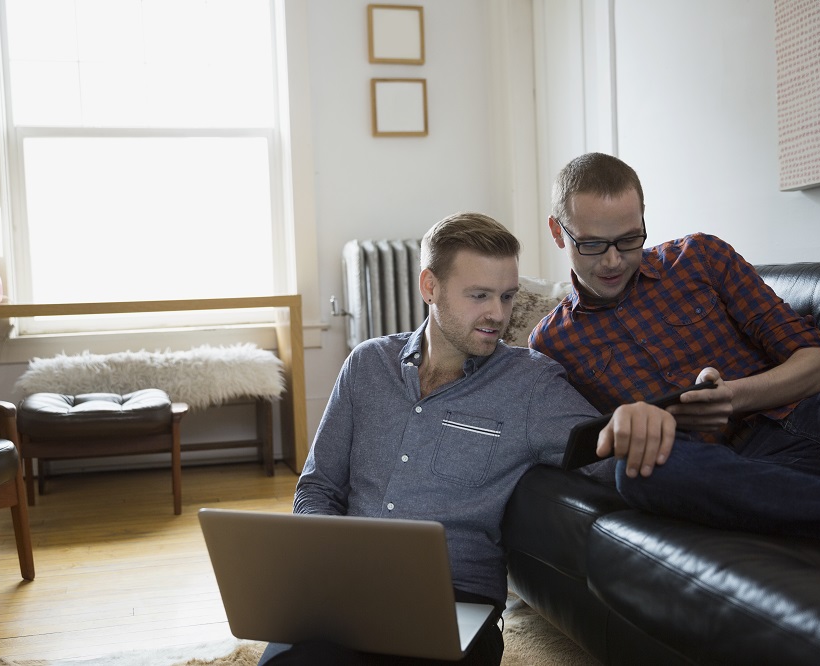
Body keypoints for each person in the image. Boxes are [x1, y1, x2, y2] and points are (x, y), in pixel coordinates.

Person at [258, 212, 665, 665]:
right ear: (429, 286)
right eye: (479, 296)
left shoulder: (531, 385)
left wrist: (648, 427)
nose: (498, 313)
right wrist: (328, 556)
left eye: (507, 296)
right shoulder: (367, 365)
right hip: (346, 591)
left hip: (455, 605)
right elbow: (318, 486)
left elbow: (611, 455)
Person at [529, 151, 820, 550]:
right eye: (593, 245)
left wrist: (734, 396)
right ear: (558, 232)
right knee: (638, 471)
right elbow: (592, 451)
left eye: (629, 240)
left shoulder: (700, 257)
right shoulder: (550, 345)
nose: (614, 261)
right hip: (742, 473)